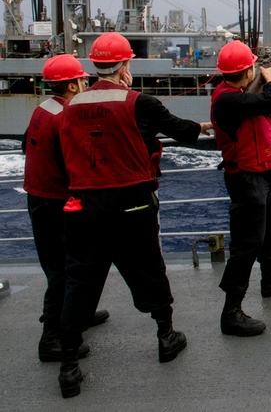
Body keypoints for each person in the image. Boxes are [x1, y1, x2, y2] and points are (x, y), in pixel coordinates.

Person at [56, 32, 212, 398]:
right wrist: (202, 127)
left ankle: (68, 365)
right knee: (147, 269)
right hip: (132, 203)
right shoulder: (139, 103)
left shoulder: (71, 106)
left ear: (94, 66)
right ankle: (166, 335)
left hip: (83, 206)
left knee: (80, 281)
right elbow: (182, 131)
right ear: (125, 65)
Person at [210, 40, 271, 338]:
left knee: (266, 232)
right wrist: (270, 78)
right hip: (245, 178)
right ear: (247, 69)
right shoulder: (228, 100)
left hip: (264, 170)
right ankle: (231, 311)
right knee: (246, 244)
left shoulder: (240, 94)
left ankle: (270, 279)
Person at [23, 54, 109, 363]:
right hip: (55, 204)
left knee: (62, 266)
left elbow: (27, 147)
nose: (87, 84)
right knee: (64, 270)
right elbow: (76, 163)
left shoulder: (42, 110)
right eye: (84, 81)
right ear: (72, 85)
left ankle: (79, 312)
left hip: (38, 198)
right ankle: (51, 339)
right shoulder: (64, 118)